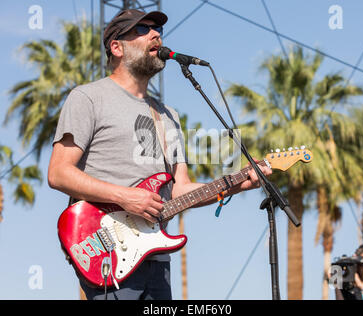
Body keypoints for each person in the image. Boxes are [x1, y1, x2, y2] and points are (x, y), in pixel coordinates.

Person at [48, 9, 272, 300]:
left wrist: (239, 183)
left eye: (157, 29)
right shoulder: (88, 97)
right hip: (108, 254)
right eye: (142, 29)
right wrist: (125, 196)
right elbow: (58, 173)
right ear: (117, 47)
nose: (156, 34)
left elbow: (180, 189)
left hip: (157, 260)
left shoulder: (167, 116)